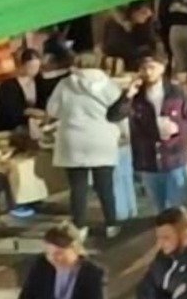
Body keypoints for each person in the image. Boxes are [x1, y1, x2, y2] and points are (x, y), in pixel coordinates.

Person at [108, 55, 187, 212]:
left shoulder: (176, 92)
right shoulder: (136, 96)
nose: (148, 72)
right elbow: (113, 116)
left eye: (152, 67)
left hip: (174, 157)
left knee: (177, 208)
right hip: (148, 160)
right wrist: (127, 95)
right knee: (159, 208)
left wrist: (178, 128)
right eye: (144, 68)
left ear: (162, 68)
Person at [47, 53, 124, 238]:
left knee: (78, 188)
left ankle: (80, 227)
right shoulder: (109, 85)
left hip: (73, 140)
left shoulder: (65, 84)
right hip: (102, 140)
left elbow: (52, 110)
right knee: (105, 186)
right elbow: (120, 111)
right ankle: (111, 225)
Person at [18, 222, 106, 299]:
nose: (53, 258)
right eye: (49, 253)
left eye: (59, 253)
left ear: (75, 249)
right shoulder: (41, 265)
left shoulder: (93, 274)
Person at [0, 49, 46, 133]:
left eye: (37, 67)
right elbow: (11, 111)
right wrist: (30, 111)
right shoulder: (8, 86)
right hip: (13, 127)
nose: (35, 71)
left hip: (35, 125)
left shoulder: (39, 80)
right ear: (22, 65)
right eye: (31, 67)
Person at [101, 1, 157, 74]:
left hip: (139, 68)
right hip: (120, 69)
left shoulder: (144, 25)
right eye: (144, 11)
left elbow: (151, 45)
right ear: (133, 11)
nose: (149, 14)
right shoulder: (115, 26)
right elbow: (119, 49)